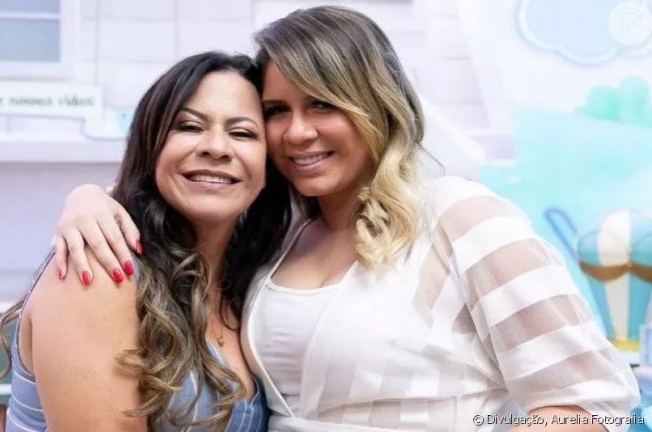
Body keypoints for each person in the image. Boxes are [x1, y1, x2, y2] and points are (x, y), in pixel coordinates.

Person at [48, 6, 640, 432]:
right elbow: (180, 182)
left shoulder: (463, 218)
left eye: (323, 104)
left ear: (375, 105)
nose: (298, 132)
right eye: (276, 111)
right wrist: (92, 198)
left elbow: (593, 405)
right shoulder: (278, 238)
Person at [0, 51, 294, 432]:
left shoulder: (251, 277)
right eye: (189, 126)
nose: (216, 147)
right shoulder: (100, 264)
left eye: (242, 133)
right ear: (150, 145)